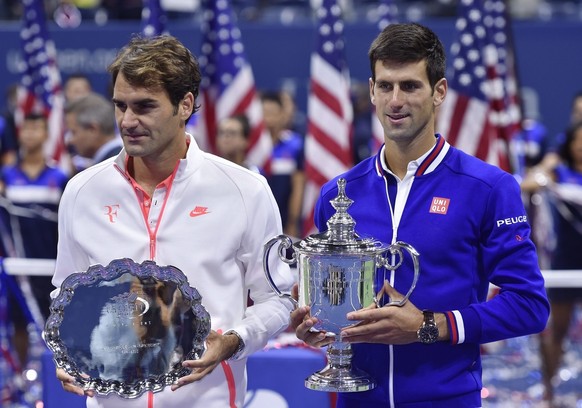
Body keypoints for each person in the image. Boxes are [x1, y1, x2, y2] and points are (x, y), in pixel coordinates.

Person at [290, 22, 550, 407]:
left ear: (438, 92)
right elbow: (331, 306)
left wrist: (430, 326)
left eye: (410, 86)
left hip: (447, 398)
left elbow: (529, 305)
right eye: (385, 86)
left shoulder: (488, 188)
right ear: (373, 92)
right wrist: (315, 327)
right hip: (357, 400)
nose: (396, 100)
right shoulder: (337, 194)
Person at [52, 34, 294, 407]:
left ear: (185, 105)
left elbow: (277, 299)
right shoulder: (82, 191)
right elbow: (66, 294)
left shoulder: (245, 190)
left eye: (144, 106)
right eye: (120, 106)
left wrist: (234, 340)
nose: (127, 121)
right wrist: (68, 346)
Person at [521, 120, 582, 404]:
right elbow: (528, 182)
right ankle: (549, 392)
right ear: (569, 144)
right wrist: (547, 170)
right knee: (557, 331)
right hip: (567, 261)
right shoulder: (560, 173)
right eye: (578, 140)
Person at [0, 112, 69, 364]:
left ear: (46, 134)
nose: (29, 134)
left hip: (50, 264)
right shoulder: (6, 177)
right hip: (18, 267)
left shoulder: (59, 177)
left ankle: (55, 374)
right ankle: (22, 376)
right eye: (25, 129)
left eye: (36, 129)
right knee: (18, 324)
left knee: (55, 322)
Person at [261, 90, 305, 238]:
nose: (267, 117)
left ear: (282, 115)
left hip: (285, 218)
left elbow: (298, 185)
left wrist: (293, 221)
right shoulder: (251, 147)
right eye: (263, 112)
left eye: (272, 112)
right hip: (258, 217)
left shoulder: (295, 144)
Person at [64, 91, 123, 172]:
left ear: (93, 130)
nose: (70, 140)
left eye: (74, 132)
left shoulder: (112, 168)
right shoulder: (120, 160)